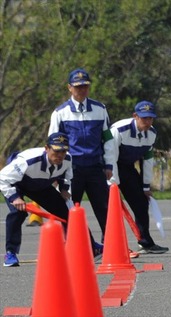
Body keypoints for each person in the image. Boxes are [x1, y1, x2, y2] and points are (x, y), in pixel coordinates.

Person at [48, 68, 115, 248]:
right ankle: (72, 244)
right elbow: (52, 146)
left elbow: (108, 140)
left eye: (85, 86)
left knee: (104, 208)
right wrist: (55, 174)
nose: (82, 90)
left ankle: (109, 244)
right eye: (78, 87)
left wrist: (109, 164)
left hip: (95, 167)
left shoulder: (100, 109)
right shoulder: (60, 113)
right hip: (72, 169)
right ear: (69, 88)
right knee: (69, 208)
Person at [2, 133, 84, 266]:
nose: (60, 155)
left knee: (65, 212)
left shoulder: (67, 159)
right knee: (18, 213)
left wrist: (64, 189)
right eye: (56, 150)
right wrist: (15, 197)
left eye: (63, 151)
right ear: (47, 148)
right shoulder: (28, 161)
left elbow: (67, 175)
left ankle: (76, 248)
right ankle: (10, 253)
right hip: (16, 183)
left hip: (41, 184)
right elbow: (3, 178)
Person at [109, 101, 168, 254]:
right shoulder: (119, 130)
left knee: (141, 203)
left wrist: (146, 186)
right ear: (135, 116)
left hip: (127, 168)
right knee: (111, 207)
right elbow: (110, 157)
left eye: (151, 118)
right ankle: (110, 245)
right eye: (144, 118)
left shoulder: (152, 133)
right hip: (108, 168)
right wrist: (113, 184)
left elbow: (147, 161)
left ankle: (145, 242)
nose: (148, 122)